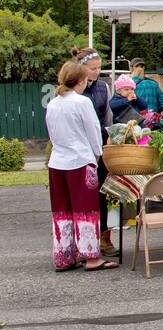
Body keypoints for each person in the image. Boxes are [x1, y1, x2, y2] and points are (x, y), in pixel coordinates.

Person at [45, 60, 118, 271]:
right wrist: (97, 155)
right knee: (85, 209)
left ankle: (64, 255)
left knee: (62, 210)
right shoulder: (82, 102)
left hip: (57, 161)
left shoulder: (53, 103)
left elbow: (51, 133)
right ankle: (90, 256)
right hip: (80, 160)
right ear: (81, 80)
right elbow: (94, 133)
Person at [71, 47, 115, 257]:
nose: (97, 72)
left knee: (102, 193)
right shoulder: (72, 90)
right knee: (81, 195)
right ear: (81, 69)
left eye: (99, 68)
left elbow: (107, 116)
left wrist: (106, 139)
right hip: (78, 147)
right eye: (92, 68)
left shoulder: (103, 88)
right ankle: (82, 239)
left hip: (99, 144)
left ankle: (105, 237)